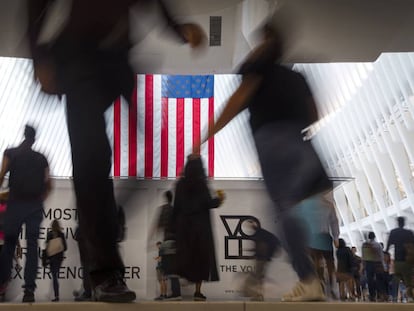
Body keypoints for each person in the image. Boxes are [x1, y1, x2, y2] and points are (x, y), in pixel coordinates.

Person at [27, 0, 206, 302]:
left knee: (101, 164)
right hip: (79, 61)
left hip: (115, 65)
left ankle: (100, 255)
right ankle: (104, 273)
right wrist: (38, 57)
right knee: (92, 162)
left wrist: (177, 28)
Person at [198, 16, 331, 301]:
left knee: (282, 210)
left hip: (274, 143)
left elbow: (237, 100)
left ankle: (307, 279)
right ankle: (299, 276)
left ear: (265, 42)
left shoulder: (259, 68)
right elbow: (315, 113)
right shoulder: (297, 77)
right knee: (288, 211)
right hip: (302, 145)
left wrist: (205, 135)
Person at [0, 125, 51, 303]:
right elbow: (48, 184)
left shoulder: (10, 153)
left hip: (15, 203)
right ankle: (29, 289)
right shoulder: (41, 158)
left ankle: (1, 286)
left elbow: (1, 176)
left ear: (23, 135)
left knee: (8, 246)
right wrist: (39, 199)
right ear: (34, 139)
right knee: (32, 247)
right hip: (34, 205)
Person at [173, 155, 224, 301]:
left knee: (186, 255)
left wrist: (173, 227)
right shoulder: (202, 183)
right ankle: (198, 291)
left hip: (184, 227)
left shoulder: (180, 184)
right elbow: (208, 203)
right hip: (201, 227)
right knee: (201, 259)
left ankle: (185, 277)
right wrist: (219, 199)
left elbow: (176, 206)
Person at [296, 190, 339, 299]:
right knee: (330, 264)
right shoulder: (328, 205)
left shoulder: (303, 204)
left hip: (311, 237)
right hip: (324, 237)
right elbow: (334, 222)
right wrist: (336, 237)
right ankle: (331, 286)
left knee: (314, 262)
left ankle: (319, 285)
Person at [242, 219, 281, 301]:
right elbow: (260, 247)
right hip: (263, 258)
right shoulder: (261, 234)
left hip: (262, 259)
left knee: (256, 277)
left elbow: (261, 247)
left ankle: (258, 295)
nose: (249, 227)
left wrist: (262, 255)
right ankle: (258, 295)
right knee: (258, 277)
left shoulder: (260, 234)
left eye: (250, 224)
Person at [386, 216, 414, 302]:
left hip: (398, 260)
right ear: (404, 223)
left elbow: (388, 245)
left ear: (397, 223)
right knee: (408, 279)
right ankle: (409, 297)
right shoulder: (409, 233)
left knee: (396, 277)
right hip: (408, 260)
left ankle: (394, 297)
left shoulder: (394, 232)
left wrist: (386, 254)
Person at [45, 219, 67, 302]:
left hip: (51, 258)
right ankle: (56, 295)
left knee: (54, 276)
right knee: (55, 276)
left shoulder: (49, 234)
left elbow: (47, 247)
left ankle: (56, 295)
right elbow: (65, 247)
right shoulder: (61, 234)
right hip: (59, 258)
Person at [361, 232, 385, 302]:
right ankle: (379, 294)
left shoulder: (364, 245)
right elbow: (381, 256)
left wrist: (363, 266)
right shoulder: (378, 245)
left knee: (370, 280)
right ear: (374, 237)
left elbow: (363, 256)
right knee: (378, 280)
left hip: (368, 264)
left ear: (368, 237)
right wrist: (382, 265)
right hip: (377, 263)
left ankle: (372, 295)